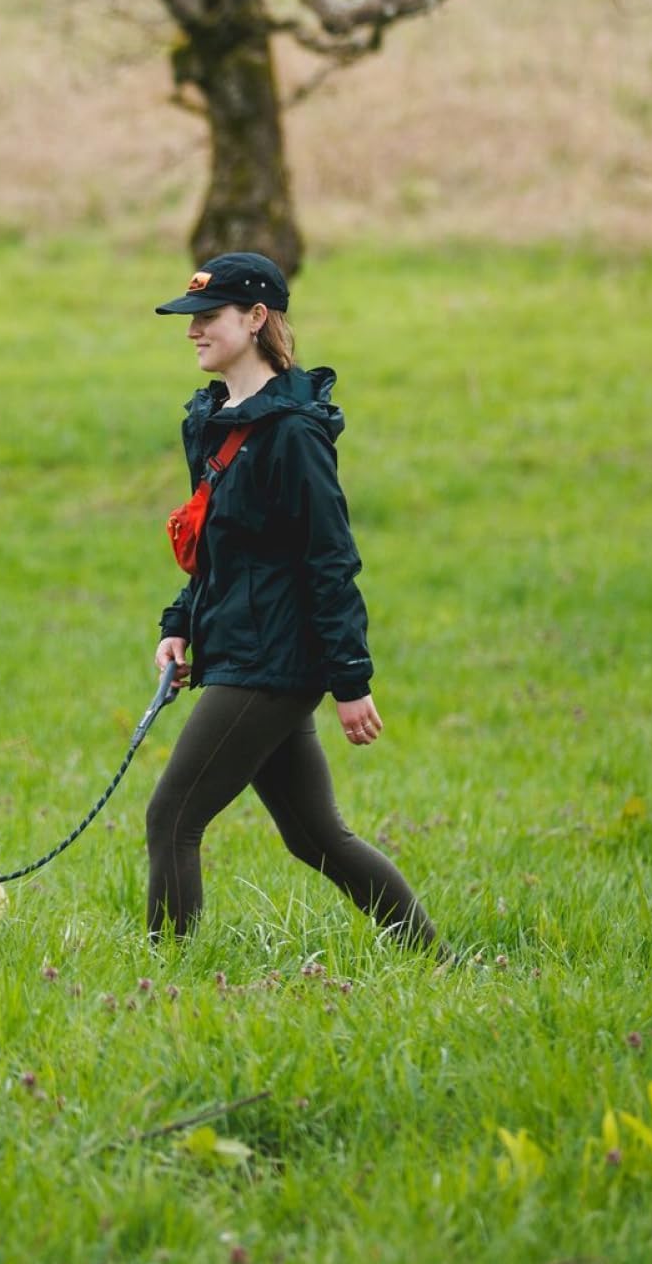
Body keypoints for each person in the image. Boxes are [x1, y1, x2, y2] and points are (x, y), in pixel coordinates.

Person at [146, 251, 442, 951]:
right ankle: (437, 958)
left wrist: (351, 682)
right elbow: (216, 550)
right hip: (241, 651)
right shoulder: (215, 420)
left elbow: (329, 560)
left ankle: (162, 983)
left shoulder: (295, 434)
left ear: (255, 319)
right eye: (190, 319)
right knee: (317, 837)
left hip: (272, 663)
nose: (193, 331)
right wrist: (180, 626)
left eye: (207, 317)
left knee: (172, 818)